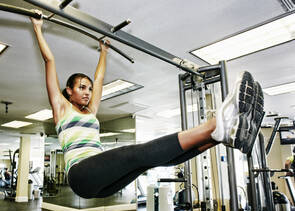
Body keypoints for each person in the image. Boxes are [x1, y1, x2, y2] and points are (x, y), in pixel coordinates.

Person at [30, 11, 264, 199]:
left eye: (89, 89)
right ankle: (216, 124)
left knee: (148, 161)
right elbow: (49, 60)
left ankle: (218, 137)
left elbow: (99, 78)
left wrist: (103, 52)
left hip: (99, 182)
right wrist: (38, 28)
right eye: (82, 87)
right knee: (136, 154)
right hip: (80, 174)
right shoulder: (61, 109)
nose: (87, 92)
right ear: (68, 91)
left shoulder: (91, 111)